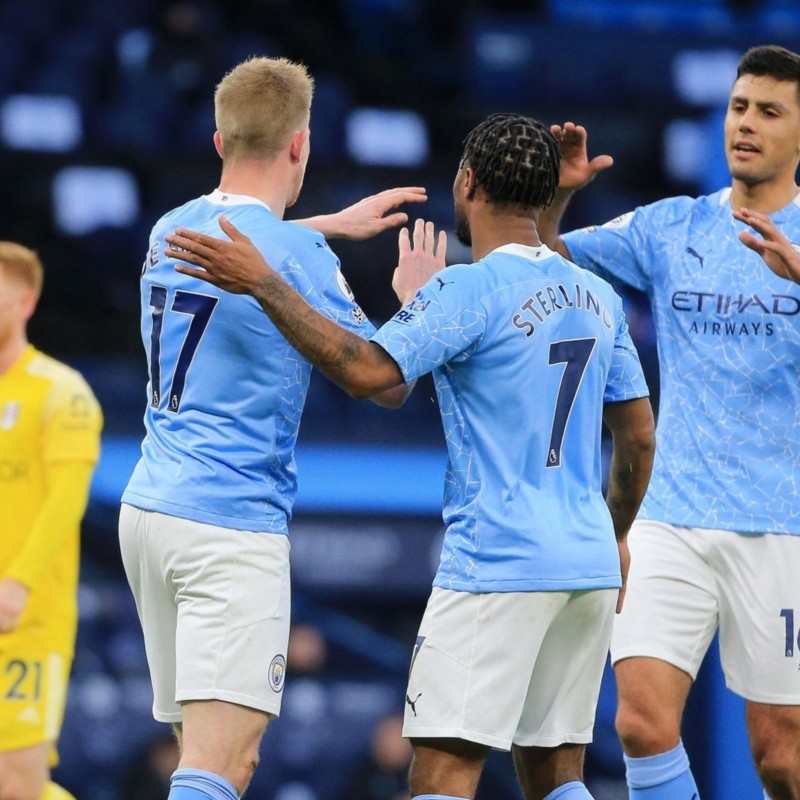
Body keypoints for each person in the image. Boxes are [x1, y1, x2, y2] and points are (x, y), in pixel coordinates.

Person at [163, 112, 656, 800]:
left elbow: (370, 374)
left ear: (467, 183)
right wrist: (618, 531)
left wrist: (266, 283)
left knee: (442, 775)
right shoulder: (598, 297)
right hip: (586, 563)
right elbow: (637, 437)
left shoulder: (467, 289)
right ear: (545, 197)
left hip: (497, 561)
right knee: (557, 775)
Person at [118, 55, 425, 800]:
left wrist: (325, 227)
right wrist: (413, 303)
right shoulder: (297, 255)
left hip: (151, 514)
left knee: (199, 749)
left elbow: (249, 245)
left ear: (221, 143)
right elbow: (385, 384)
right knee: (223, 765)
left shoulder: (170, 229)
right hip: (229, 527)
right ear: (301, 145)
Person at [537, 44, 800, 800]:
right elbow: (545, 256)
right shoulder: (669, 227)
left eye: (770, 112)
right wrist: (558, 197)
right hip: (672, 516)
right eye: (739, 107)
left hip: (781, 523)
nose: (746, 124)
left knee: (780, 759)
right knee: (640, 725)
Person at [0, 242, 103, 800]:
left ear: (25, 302)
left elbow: (67, 500)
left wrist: (16, 584)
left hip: (25, 622)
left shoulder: (61, 393)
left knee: (17, 786)